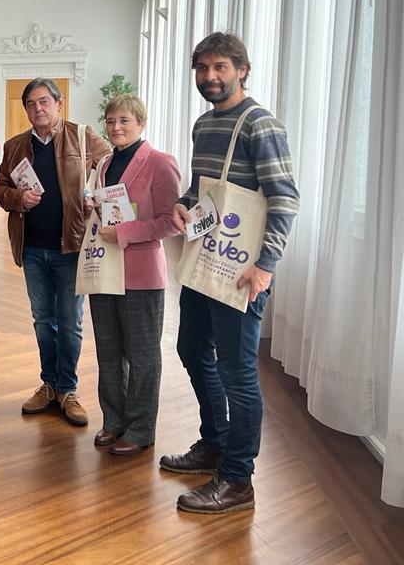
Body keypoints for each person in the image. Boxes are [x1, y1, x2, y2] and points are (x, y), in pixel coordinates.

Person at [163, 32, 299, 513]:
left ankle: (238, 478)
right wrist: (182, 204)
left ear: (242, 70)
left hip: (243, 271)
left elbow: (284, 197)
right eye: (202, 68)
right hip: (207, 260)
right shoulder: (204, 124)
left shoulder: (261, 124)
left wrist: (266, 266)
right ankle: (215, 442)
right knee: (191, 348)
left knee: (237, 372)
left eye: (220, 66)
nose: (210, 76)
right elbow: (203, 189)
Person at [0, 78, 111, 424]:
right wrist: (18, 198)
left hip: (71, 247)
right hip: (32, 249)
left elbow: (113, 172)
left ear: (59, 104)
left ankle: (68, 389)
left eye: (44, 101)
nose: (38, 109)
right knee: (43, 321)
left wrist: (95, 199)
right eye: (31, 104)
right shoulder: (15, 146)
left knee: (70, 323)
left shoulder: (82, 137)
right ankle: (49, 385)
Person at [84, 94, 180, 456]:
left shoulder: (160, 163)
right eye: (110, 121)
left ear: (141, 123)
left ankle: (140, 429)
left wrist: (123, 232)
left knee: (142, 355)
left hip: (141, 274)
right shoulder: (105, 163)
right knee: (109, 351)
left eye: (124, 120)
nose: (116, 127)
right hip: (104, 269)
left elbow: (170, 222)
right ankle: (113, 420)